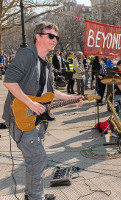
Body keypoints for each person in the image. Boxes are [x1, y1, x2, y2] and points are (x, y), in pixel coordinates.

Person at [2, 21, 83, 200]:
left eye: (57, 37)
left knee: (34, 160)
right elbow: (9, 81)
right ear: (37, 36)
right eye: (50, 36)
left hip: (37, 119)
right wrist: (30, 103)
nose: (55, 40)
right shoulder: (26, 55)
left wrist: (72, 98)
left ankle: (32, 195)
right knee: (38, 159)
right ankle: (36, 197)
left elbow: (50, 93)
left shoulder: (46, 63)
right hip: (20, 117)